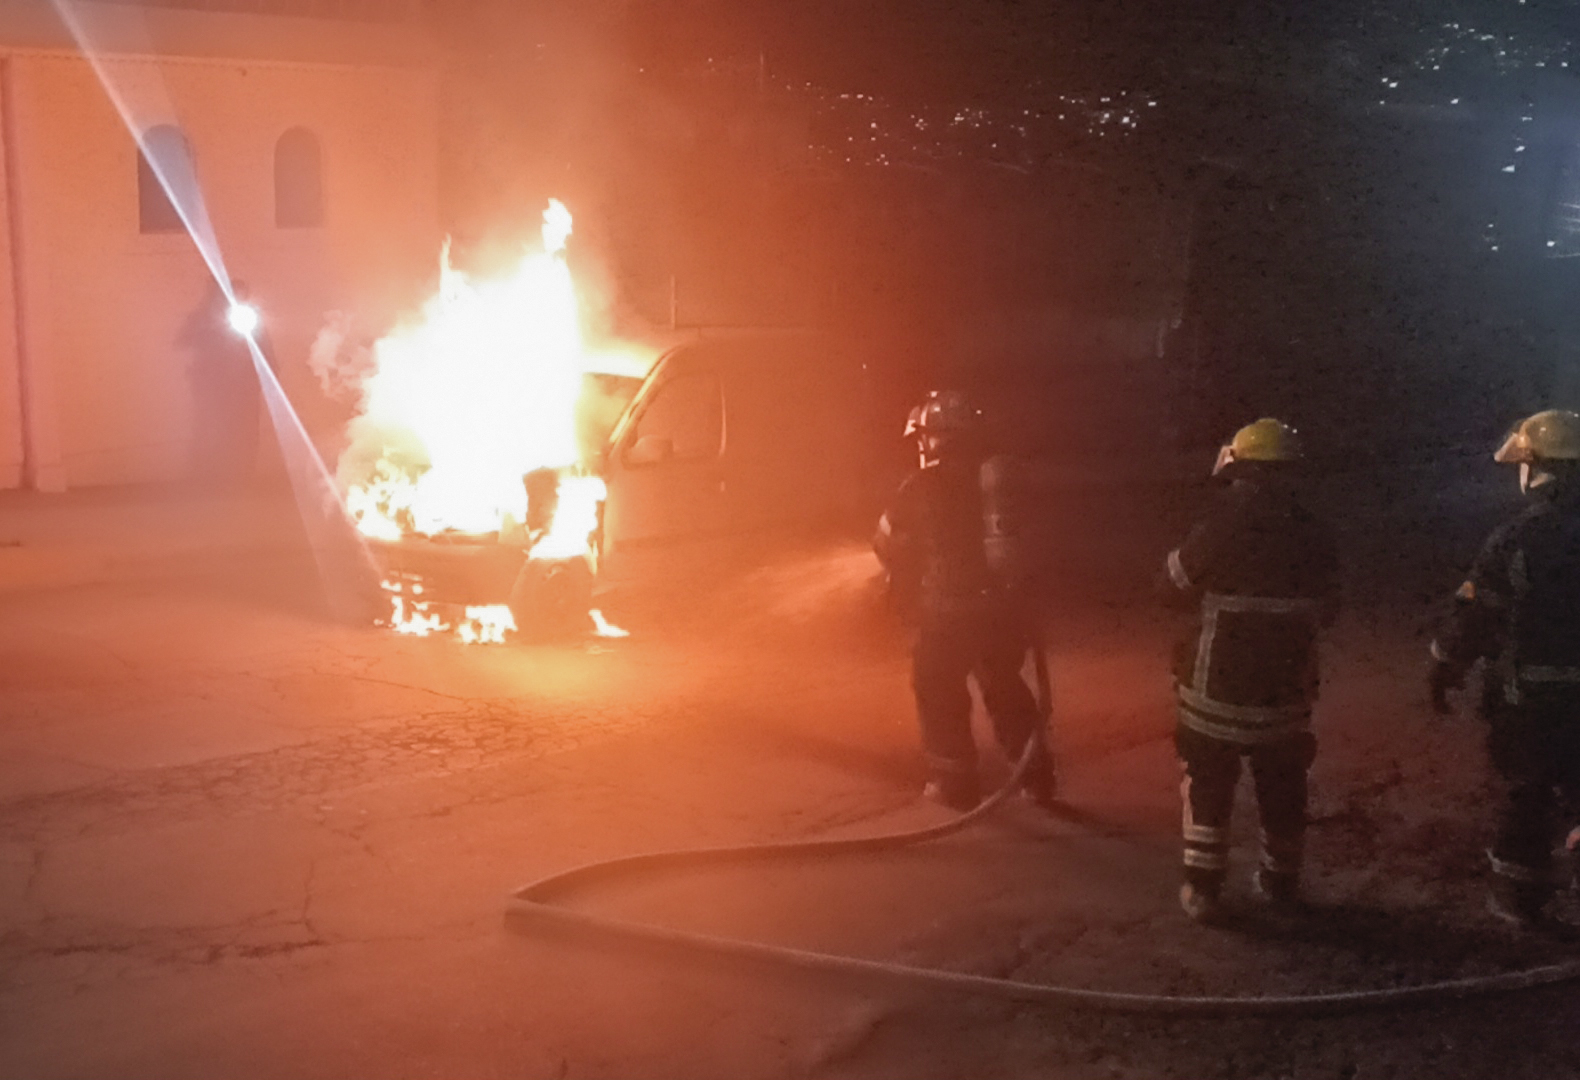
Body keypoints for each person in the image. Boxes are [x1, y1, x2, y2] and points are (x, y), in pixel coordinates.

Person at [1162, 418, 1339, 922]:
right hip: (1284, 695)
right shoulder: (1315, 534)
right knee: (1282, 786)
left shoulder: (1219, 525)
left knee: (1208, 785)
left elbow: (1169, 587)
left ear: (1239, 469)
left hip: (1215, 690)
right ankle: (1280, 881)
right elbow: (1329, 610)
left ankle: (1203, 890)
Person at [1429, 409, 1580, 927]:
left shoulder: (1516, 539)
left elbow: (1475, 618)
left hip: (1529, 704)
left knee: (1529, 796)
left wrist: (1444, 670)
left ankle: (1521, 901)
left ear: (1534, 468)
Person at [873, 390, 1055, 811]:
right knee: (1006, 688)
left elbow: (885, 542)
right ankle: (1036, 777)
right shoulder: (996, 480)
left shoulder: (919, 486)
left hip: (945, 613)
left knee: (937, 690)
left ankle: (954, 786)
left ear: (933, 438)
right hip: (1000, 610)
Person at [181, 280, 271, 487]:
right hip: (217, 391)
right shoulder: (206, 319)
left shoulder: (252, 320)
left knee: (247, 434)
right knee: (215, 431)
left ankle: (243, 478)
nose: (238, 300)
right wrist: (211, 326)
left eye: (242, 295)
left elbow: (267, 352)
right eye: (234, 295)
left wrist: (265, 381)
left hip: (245, 389)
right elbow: (183, 339)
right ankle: (213, 478)